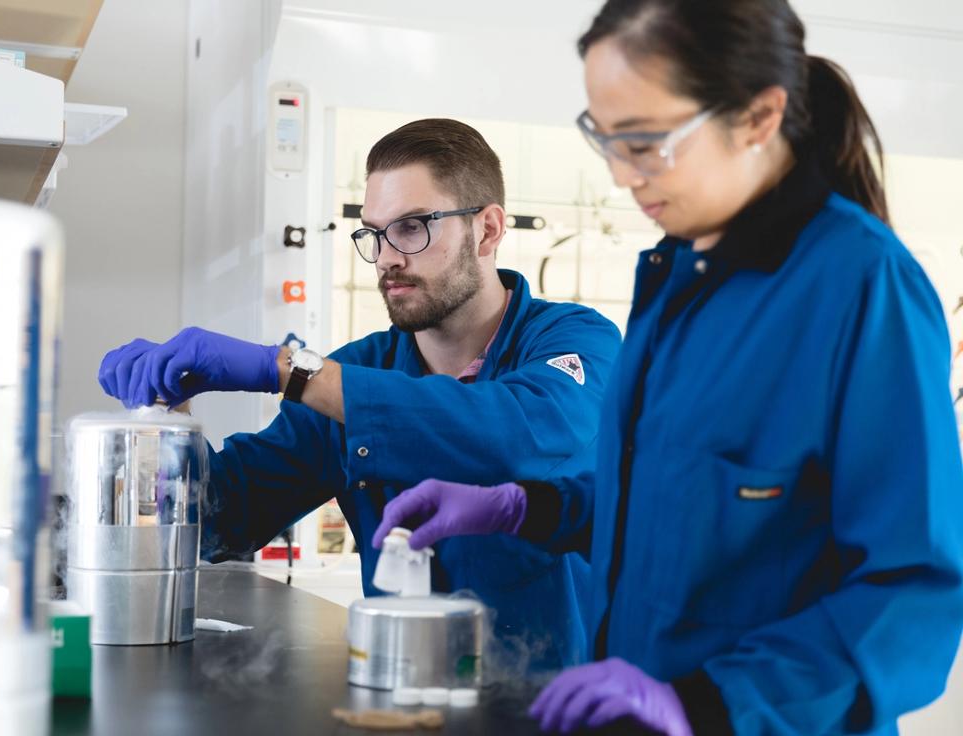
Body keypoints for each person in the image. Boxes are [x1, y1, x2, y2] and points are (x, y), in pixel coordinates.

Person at [372, 2, 963, 734]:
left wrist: (704, 705)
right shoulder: (677, 273)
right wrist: (528, 507)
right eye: (606, 140)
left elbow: (911, 599)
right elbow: (674, 504)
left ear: (758, 118)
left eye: (647, 143)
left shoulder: (864, 288)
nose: (623, 177)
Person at [97, 118, 622, 668]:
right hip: (404, 699)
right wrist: (166, 422)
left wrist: (288, 371)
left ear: (487, 230)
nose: (388, 256)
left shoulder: (576, 340)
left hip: (561, 705)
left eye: (413, 227)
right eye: (373, 232)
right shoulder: (357, 371)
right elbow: (227, 523)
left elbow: (511, 436)